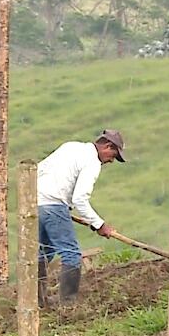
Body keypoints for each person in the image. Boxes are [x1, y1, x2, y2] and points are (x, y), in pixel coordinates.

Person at [37, 129, 126, 307]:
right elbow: (80, 198)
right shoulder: (92, 162)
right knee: (71, 254)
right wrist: (100, 225)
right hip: (55, 205)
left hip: (35, 203)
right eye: (113, 156)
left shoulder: (70, 147)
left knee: (43, 252)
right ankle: (68, 305)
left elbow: (39, 169)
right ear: (107, 146)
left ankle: (36, 300)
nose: (110, 161)